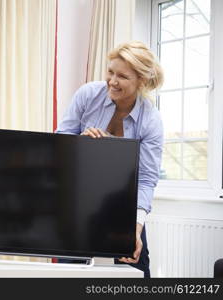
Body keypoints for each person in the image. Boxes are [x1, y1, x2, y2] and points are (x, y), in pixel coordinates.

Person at [56, 41, 164, 278]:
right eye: (110, 72)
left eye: (122, 76)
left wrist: (135, 229)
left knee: (136, 268)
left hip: (122, 203)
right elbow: (60, 140)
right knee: (69, 269)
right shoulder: (88, 94)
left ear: (141, 82)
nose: (112, 81)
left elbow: (145, 179)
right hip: (79, 199)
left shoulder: (151, 121)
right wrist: (81, 143)